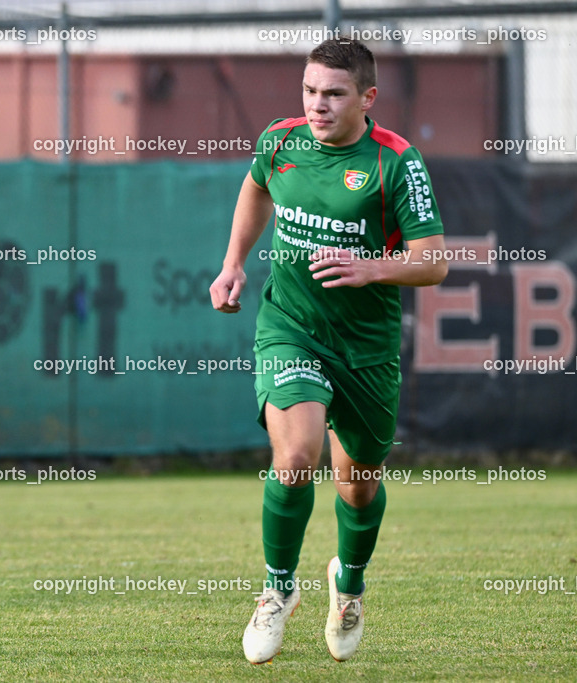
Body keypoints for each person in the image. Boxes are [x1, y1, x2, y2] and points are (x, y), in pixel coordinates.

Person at [209, 38, 447, 663]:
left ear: (367, 98)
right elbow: (256, 186)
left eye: (335, 94)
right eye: (311, 90)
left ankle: (348, 585)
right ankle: (277, 590)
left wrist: (372, 268)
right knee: (294, 457)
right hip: (289, 325)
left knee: (358, 487)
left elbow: (434, 262)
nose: (318, 104)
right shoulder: (281, 141)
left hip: (366, 347)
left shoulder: (396, 161)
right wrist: (234, 264)